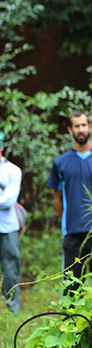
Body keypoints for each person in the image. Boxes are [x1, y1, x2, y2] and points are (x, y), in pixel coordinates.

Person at [47, 111, 92, 294]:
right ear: (70, 130)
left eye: (84, 125)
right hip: (72, 233)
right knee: (71, 288)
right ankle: (71, 323)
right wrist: (67, 220)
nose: (81, 130)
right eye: (77, 126)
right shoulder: (60, 163)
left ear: (90, 127)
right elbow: (57, 198)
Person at [0, 132, 22, 313]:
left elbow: (8, 201)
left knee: (10, 268)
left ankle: (11, 307)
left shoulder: (13, 171)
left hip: (8, 227)